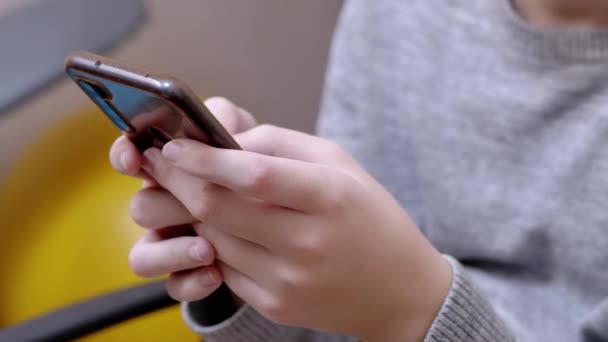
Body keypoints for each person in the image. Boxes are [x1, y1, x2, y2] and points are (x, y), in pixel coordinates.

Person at [109, 0, 608, 341]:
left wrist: (414, 310)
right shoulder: (394, 14)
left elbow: (387, 303)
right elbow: (335, 321)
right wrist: (241, 260)